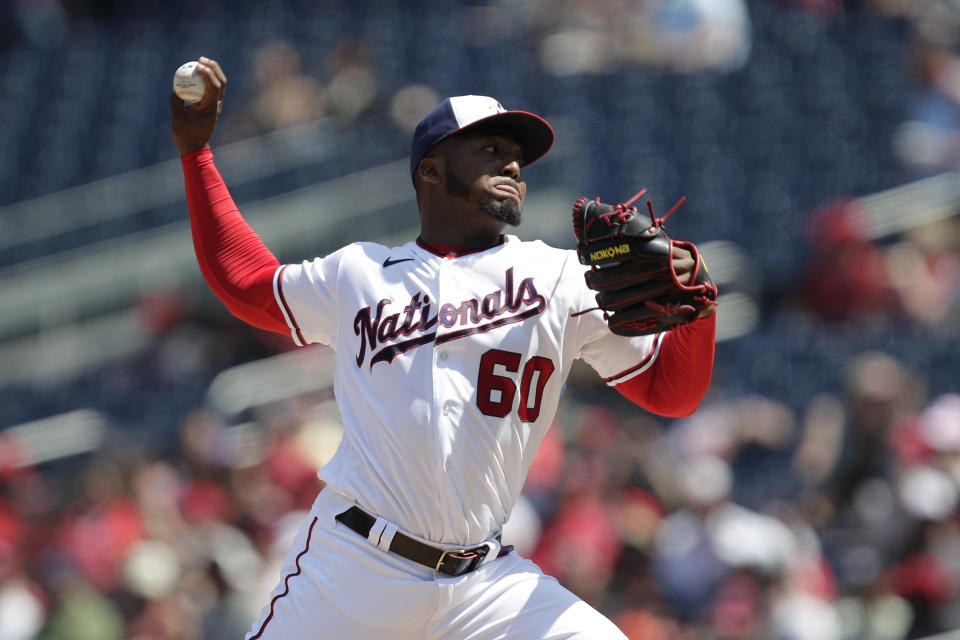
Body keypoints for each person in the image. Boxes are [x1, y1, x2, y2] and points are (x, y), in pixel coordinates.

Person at [169, 56, 717, 640]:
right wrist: (196, 154)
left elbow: (670, 395)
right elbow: (244, 281)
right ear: (430, 171)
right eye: (489, 149)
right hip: (353, 570)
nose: (512, 162)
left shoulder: (559, 277)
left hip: (485, 587)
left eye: (517, 155)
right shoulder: (358, 274)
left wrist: (698, 312)